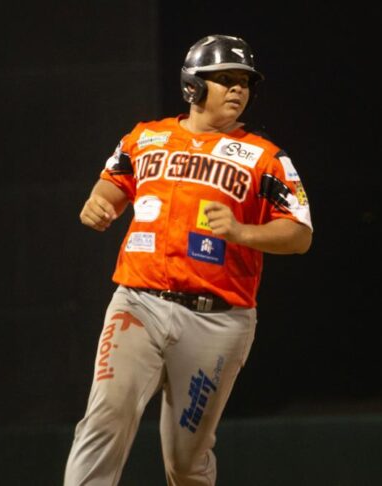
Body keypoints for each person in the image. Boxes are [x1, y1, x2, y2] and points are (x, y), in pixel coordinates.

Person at [64, 34, 313, 486]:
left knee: (185, 461)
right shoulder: (146, 137)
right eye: (225, 78)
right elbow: (113, 183)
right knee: (106, 416)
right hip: (138, 302)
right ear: (192, 86)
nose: (238, 89)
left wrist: (241, 232)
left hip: (217, 319)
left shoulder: (266, 158)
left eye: (244, 81)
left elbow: (299, 234)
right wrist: (98, 202)